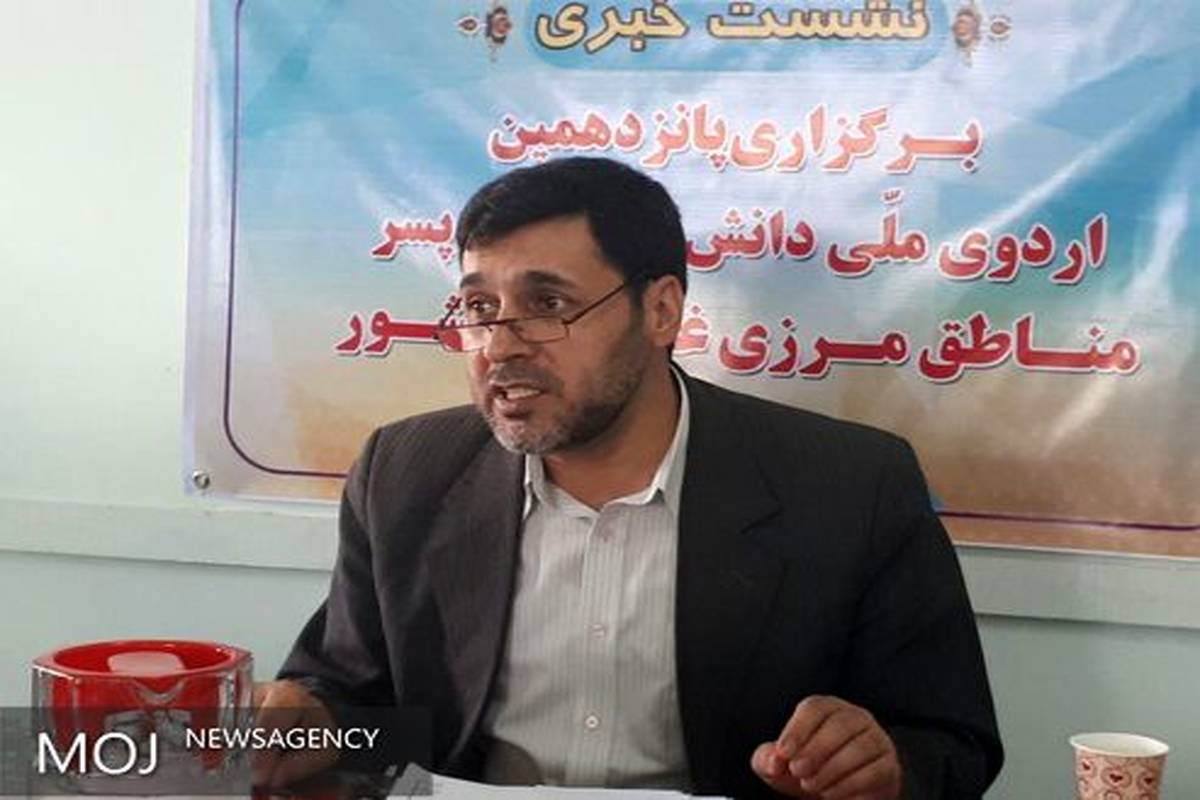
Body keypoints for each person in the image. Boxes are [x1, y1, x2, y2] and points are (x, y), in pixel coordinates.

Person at [256, 157, 1003, 799]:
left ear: (661, 311)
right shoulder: (405, 473)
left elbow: (952, 746)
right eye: (480, 307)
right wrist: (305, 729)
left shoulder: (849, 487)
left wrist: (882, 766)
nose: (499, 347)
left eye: (548, 305)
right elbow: (358, 709)